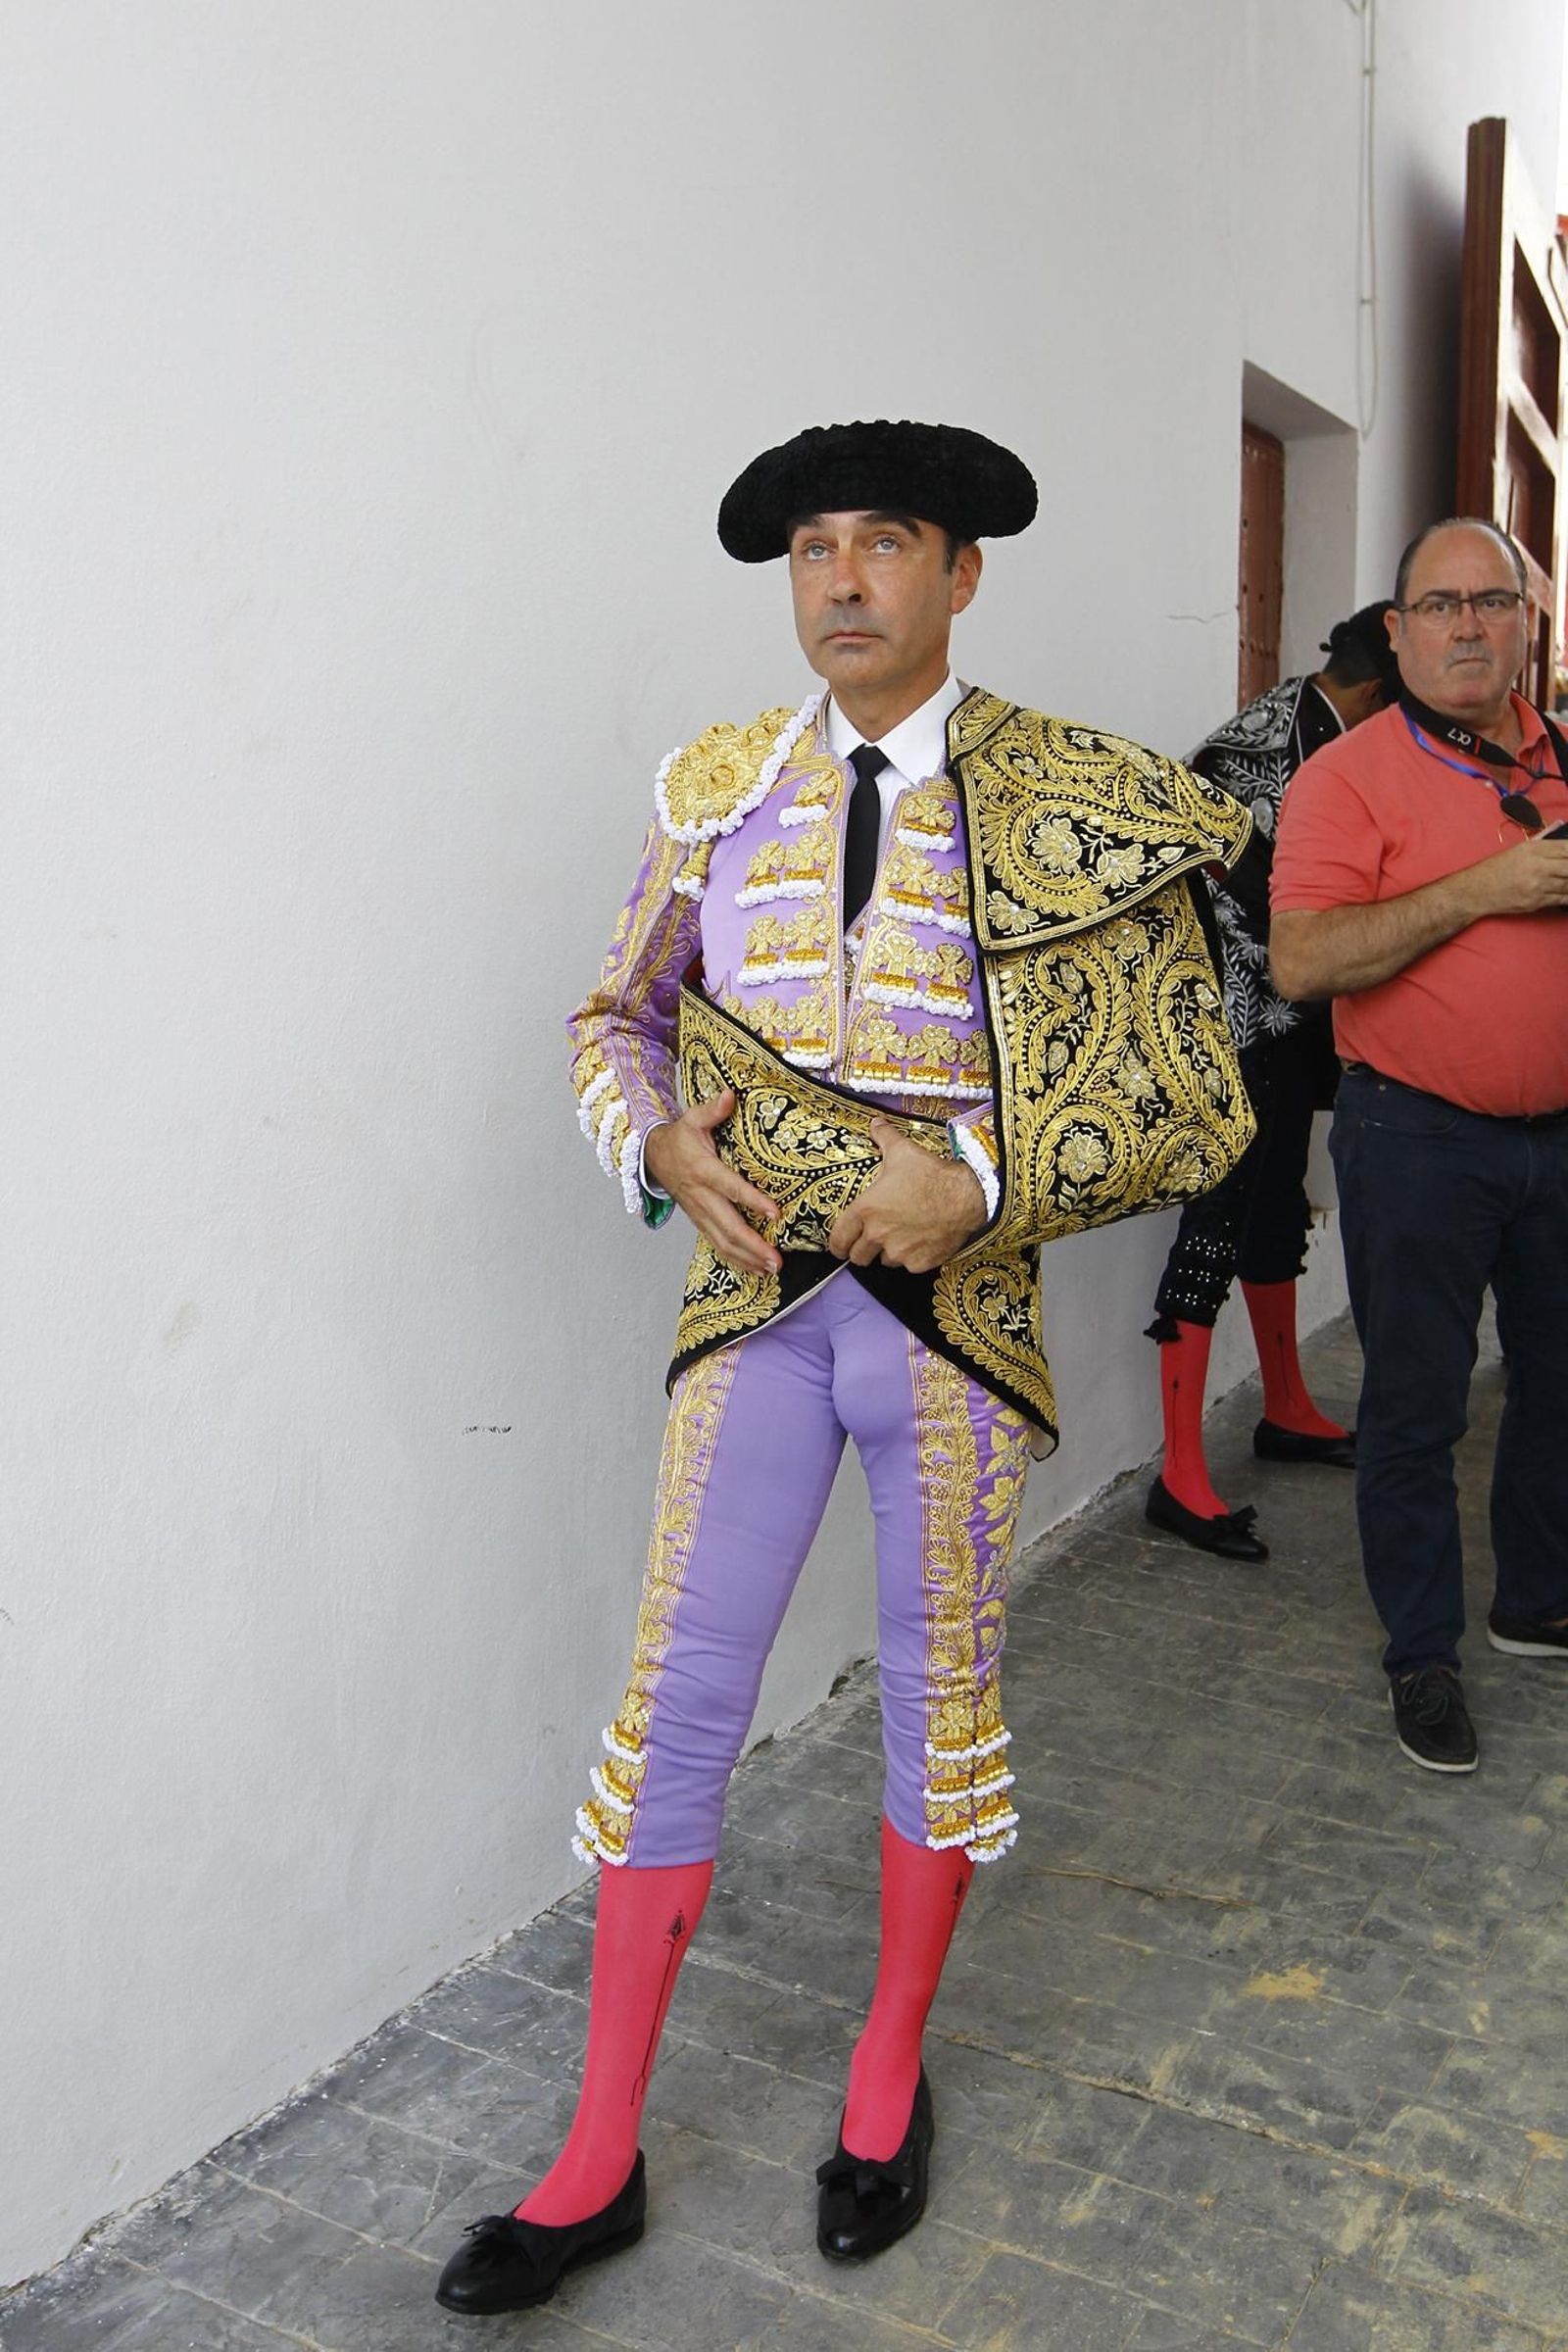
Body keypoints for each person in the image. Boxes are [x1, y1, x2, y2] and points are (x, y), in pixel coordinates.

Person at [435, 419, 1254, 2317]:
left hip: (953, 1332)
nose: (840, 582)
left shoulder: (1075, 794)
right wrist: (651, 1148)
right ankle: (592, 2150)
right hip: (751, 1317)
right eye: (809, 550)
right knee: (674, 1702)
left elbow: (1186, 1094)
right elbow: (614, 1016)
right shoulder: (712, 789)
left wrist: (970, 1177)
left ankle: (880, 2084)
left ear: (958, 574)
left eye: (881, 545)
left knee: (938, 1699)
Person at [1270, 517, 1568, 1773]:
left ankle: (1533, 1600)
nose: (1465, 625)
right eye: (1438, 606)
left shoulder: (1563, 763)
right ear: (1395, 635)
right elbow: (1304, 961)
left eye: (1489, 602)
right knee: (1414, 1405)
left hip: (1560, 1142)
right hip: (1414, 1136)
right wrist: (1482, 893)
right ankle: (1422, 1654)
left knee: (1557, 1385)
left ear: (1524, 625)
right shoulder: (1343, 778)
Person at [1145, 605, 1399, 1562]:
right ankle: (1176, 1474)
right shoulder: (1242, 753)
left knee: (1277, 1207)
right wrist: (1312, 966)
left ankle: (1285, 1405)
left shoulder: (1329, 732)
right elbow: (1207, 901)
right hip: (1231, 1023)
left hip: (1297, 1016)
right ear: (1375, 691)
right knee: (1215, 1222)